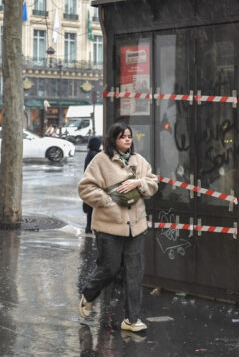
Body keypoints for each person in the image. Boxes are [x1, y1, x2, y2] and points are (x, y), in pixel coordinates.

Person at [78, 122, 158, 332]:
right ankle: (88, 295)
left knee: (134, 273)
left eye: (129, 136)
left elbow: (153, 183)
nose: (127, 140)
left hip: (136, 227)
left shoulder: (139, 161)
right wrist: (108, 200)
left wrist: (138, 183)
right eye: (123, 136)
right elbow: (85, 188)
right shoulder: (100, 161)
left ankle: (132, 320)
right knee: (110, 268)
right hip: (109, 227)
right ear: (113, 139)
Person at [82, 136, 103, 234]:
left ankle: (89, 227)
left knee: (90, 208)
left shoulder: (90, 153)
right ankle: (90, 228)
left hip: (89, 184)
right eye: (99, 143)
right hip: (93, 185)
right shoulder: (94, 154)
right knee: (92, 209)